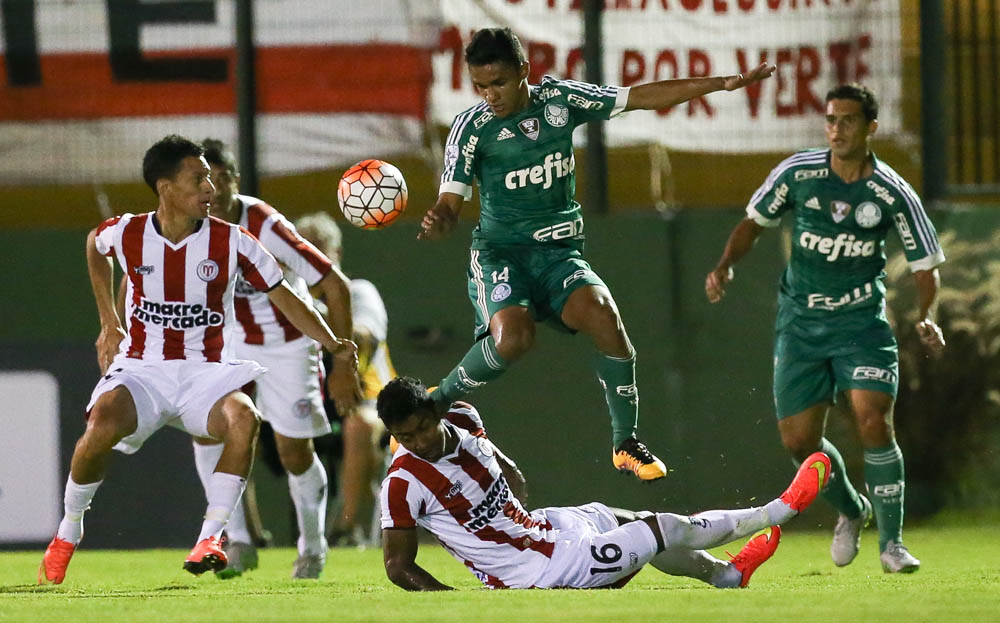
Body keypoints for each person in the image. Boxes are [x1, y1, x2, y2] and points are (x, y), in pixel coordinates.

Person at [419, 27, 775, 481]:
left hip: (559, 253)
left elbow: (640, 96)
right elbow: (450, 202)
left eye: (500, 83)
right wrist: (441, 219)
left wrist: (720, 84)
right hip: (501, 255)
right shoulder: (472, 127)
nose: (491, 95)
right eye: (481, 86)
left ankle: (626, 443)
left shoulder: (561, 100)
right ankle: (435, 403)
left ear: (524, 71)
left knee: (605, 316)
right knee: (513, 338)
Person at [37, 135, 358, 585]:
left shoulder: (236, 239)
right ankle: (69, 530)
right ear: (166, 187)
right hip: (143, 368)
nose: (210, 188)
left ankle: (214, 537)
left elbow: (286, 294)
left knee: (244, 419)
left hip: (206, 371)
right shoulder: (129, 231)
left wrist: (335, 345)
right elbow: (95, 244)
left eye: (212, 177)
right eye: (199, 178)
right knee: (101, 425)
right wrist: (109, 320)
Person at [704, 84, 946, 574]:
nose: (837, 130)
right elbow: (754, 221)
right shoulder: (799, 173)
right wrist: (726, 264)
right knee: (799, 442)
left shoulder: (892, 192)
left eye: (849, 121)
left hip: (861, 324)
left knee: (873, 419)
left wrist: (926, 316)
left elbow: (925, 266)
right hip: (801, 323)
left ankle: (892, 545)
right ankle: (852, 509)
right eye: (831, 120)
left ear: (870, 127)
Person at [376, 376, 831, 591]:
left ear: (434, 412)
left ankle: (726, 576)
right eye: (403, 437)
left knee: (625, 518)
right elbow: (398, 566)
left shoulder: (462, 415)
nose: (415, 442)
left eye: (420, 429)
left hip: (543, 531)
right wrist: (453, 604)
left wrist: (510, 486)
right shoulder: (403, 482)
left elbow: (494, 457)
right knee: (662, 529)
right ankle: (783, 507)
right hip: (540, 573)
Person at [189, 139, 361, 579]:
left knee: (292, 451)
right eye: (203, 179)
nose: (213, 188)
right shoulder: (186, 227)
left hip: (287, 342)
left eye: (221, 177)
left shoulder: (264, 224)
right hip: (227, 341)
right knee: (209, 433)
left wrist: (342, 362)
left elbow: (334, 284)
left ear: (234, 180)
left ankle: (313, 546)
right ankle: (239, 542)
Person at [295, 211, 397, 547]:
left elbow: (363, 338)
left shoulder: (358, 293)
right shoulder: (285, 297)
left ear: (336, 255)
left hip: (370, 399)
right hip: (310, 402)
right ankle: (243, 534)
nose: (312, 258)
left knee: (359, 426)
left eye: (320, 249)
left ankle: (346, 529)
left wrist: (314, 313)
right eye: (303, 249)